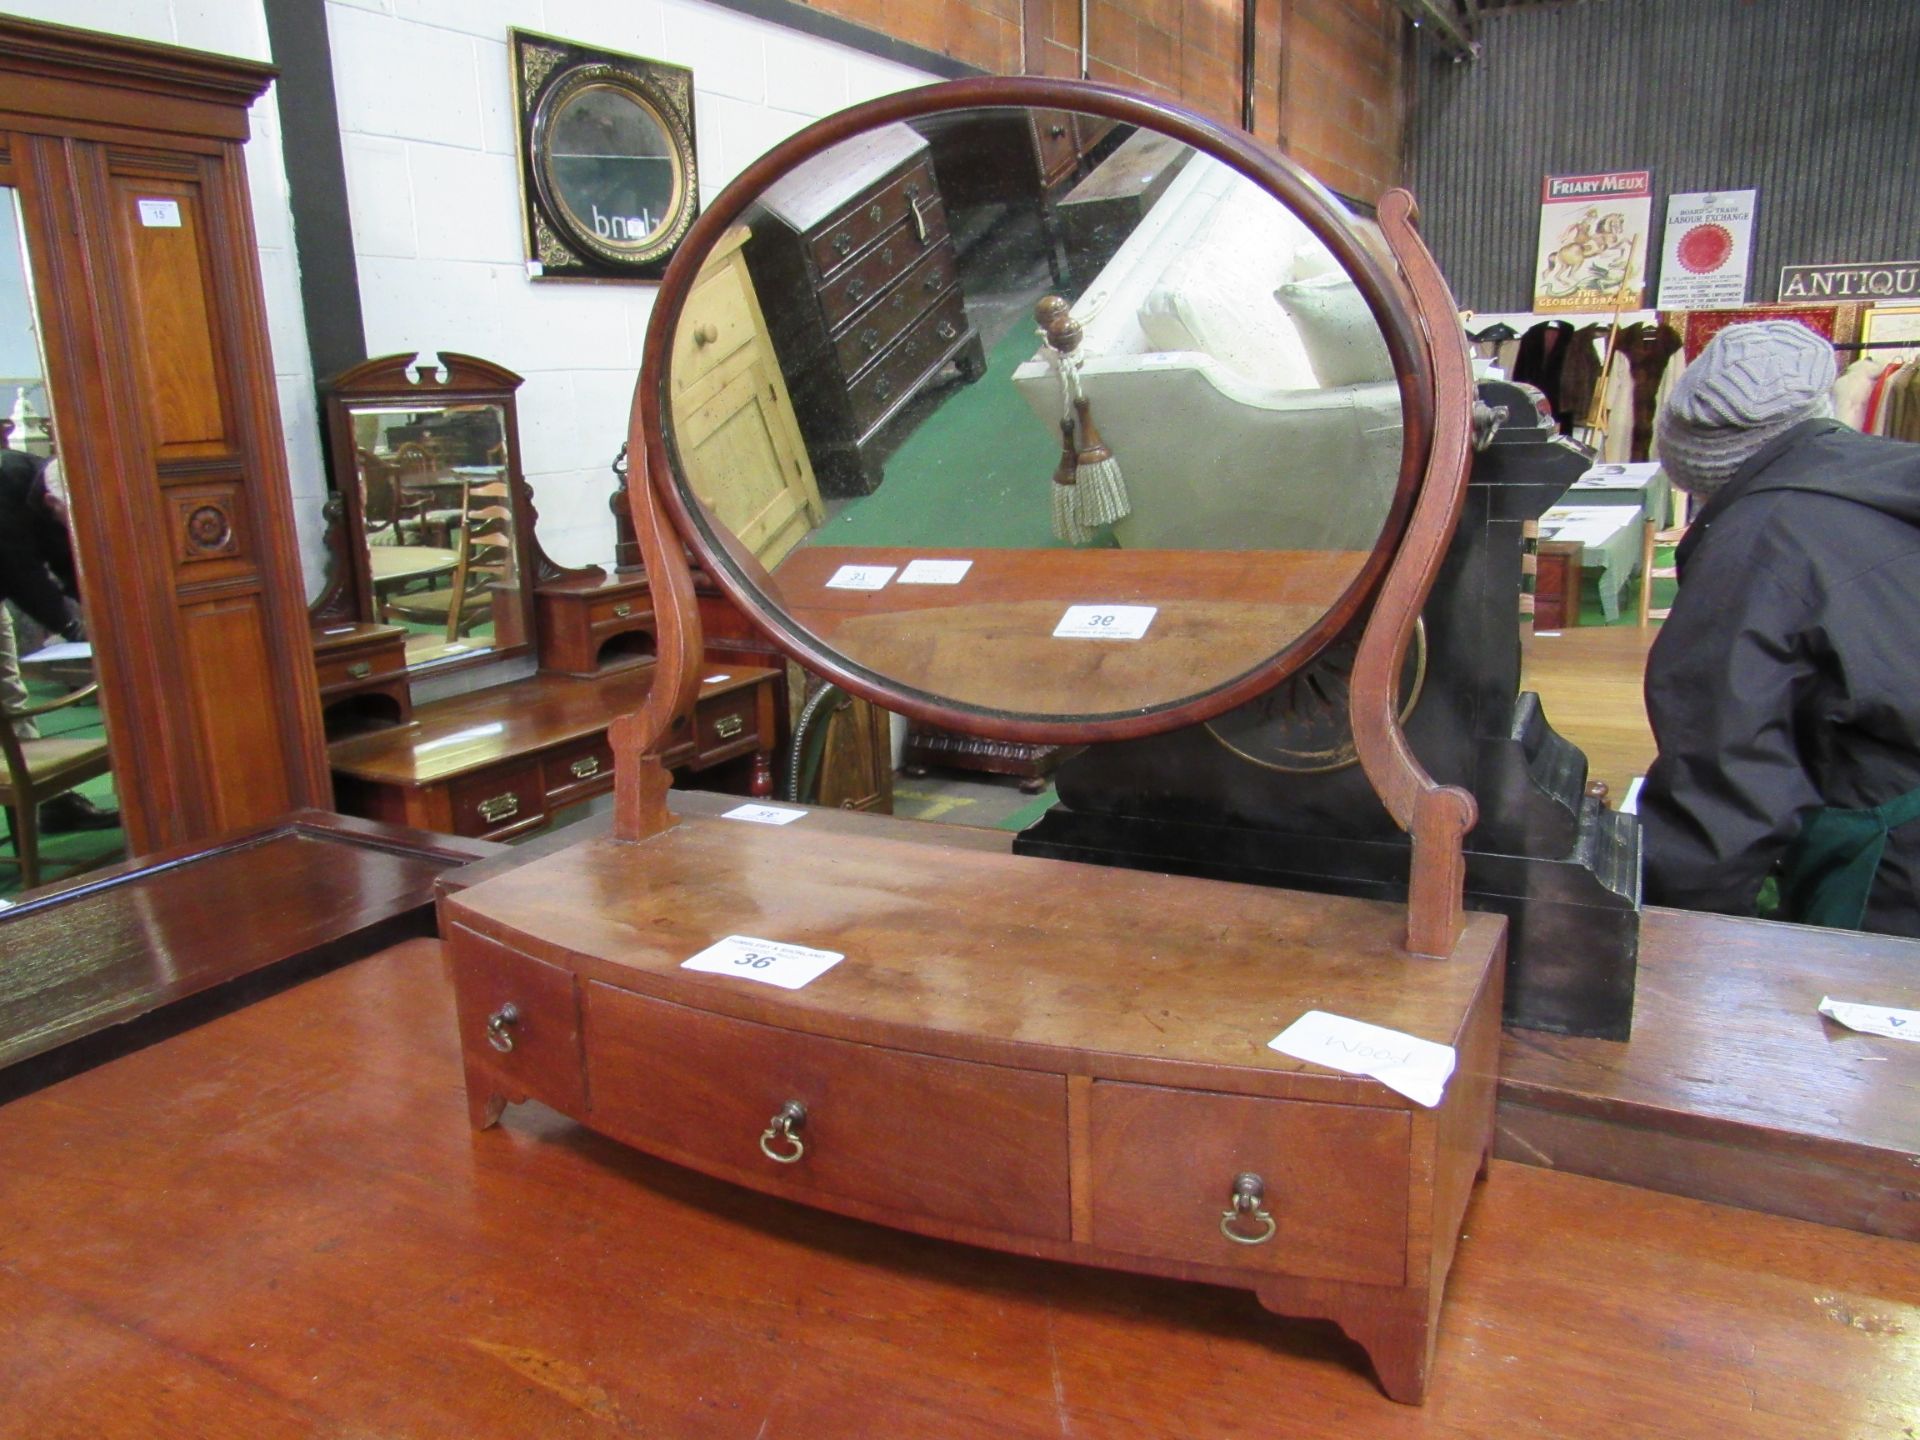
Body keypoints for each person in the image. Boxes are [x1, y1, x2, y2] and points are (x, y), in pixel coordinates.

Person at [1639, 320, 1920, 936]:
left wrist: (1668, 931)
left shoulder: (1755, 547)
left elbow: (1724, 787)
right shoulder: (1889, 476)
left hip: (1897, 872)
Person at [0, 434, 118, 833]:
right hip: (7, 577)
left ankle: (47, 805)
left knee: (8, 696)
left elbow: (68, 563)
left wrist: (106, 618)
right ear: (54, 503)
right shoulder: (6, 482)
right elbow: (23, 577)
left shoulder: (49, 487)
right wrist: (72, 628)